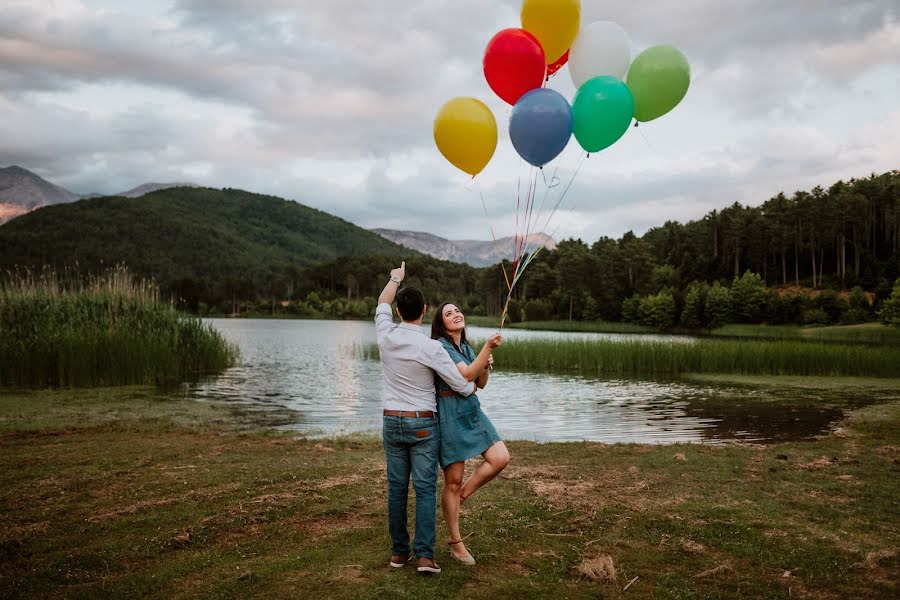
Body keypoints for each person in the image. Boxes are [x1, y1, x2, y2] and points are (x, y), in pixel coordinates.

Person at [374, 262, 495, 575]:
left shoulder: (385, 334)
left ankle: (399, 554)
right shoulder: (431, 347)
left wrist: (395, 278)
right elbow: (462, 386)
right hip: (423, 424)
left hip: (392, 422)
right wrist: (478, 375)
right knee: (426, 489)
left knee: (397, 488)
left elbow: (381, 302)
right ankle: (425, 557)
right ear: (425, 311)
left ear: (399, 311)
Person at [431, 302, 508, 566]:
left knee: (500, 458)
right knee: (452, 480)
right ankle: (455, 542)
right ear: (441, 324)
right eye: (448, 313)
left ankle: (460, 498)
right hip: (450, 412)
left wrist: (485, 363)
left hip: (472, 410)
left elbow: (480, 383)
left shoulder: (466, 347)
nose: (456, 314)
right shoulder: (440, 346)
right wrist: (487, 349)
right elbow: (465, 375)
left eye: (458, 310)